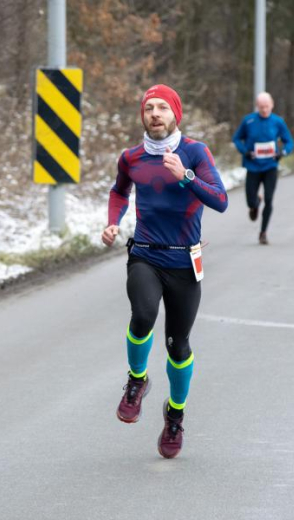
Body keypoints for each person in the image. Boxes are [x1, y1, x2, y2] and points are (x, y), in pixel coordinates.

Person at [101, 84, 228, 459]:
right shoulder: (132, 157)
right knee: (142, 315)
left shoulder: (195, 152)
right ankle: (137, 381)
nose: (155, 113)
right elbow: (119, 191)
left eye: (162, 108)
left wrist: (186, 176)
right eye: (149, 108)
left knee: (178, 345)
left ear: (176, 114)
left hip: (184, 262)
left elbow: (220, 200)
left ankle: (175, 414)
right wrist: (112, 222)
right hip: (145, 254)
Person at [232, 92, 294, 245]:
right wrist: (245, 151)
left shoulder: (278, 122)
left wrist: (282, 152)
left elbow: (289, 142)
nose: (264, 110)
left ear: (272, 105)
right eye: (261, 107)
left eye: (266, 106)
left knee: (269, 199)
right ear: (257, 106)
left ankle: (263, 232)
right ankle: (254, 205)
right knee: (250, 201)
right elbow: (236, 138)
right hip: (253, 166)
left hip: (270, 167)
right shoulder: (249, 121)